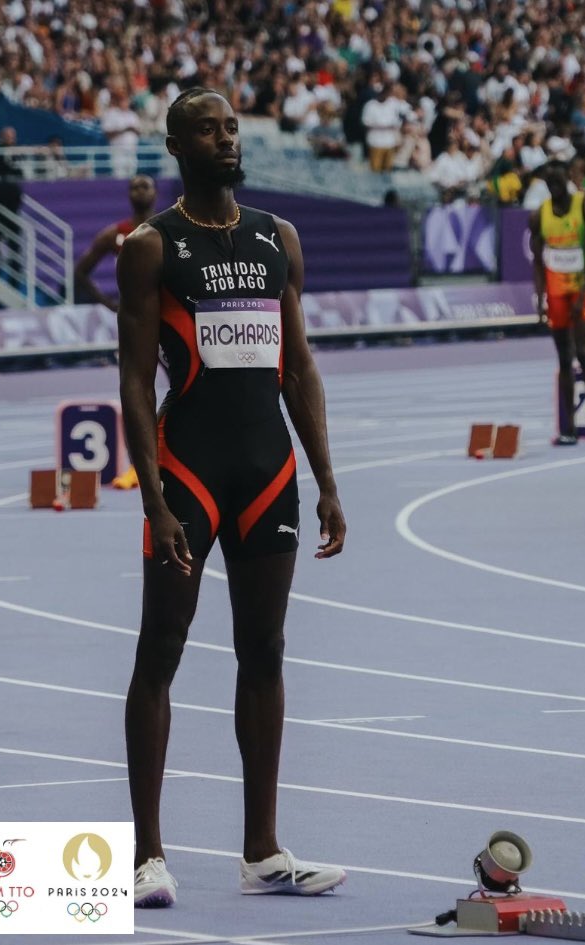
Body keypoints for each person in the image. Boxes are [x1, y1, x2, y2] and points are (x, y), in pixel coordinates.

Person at [116, 87, 347, 907]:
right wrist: (152, 496)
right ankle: (147, 855)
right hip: (189, 472)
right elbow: (135, 383)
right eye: (207, 130)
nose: (225, 139)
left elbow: (299, 365)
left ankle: (261, 849)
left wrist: (325, 479)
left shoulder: (274, 238)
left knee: (267, 650)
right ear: (177, 145)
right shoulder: (152, 247)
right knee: (161, 650)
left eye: (231, 128)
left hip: (268, 469)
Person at [75, 175, 158, 489]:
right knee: (136, 392)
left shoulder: (172, 226)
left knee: (186, 389)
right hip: (135, 325)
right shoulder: (116, 233)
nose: (140, 190)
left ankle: (183, 458)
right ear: (128, 194)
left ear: (155, 192)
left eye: (145, 186)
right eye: (135, 186)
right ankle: (140, 467)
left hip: (171, 321)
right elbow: (81, 272)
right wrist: (110, 305)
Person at [529, 160, 585, 446]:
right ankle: (570, 430)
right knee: (564, 358)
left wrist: (583, 291)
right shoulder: (539, 216)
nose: (554, 188)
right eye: (548, 184)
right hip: (555, 291)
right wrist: (540, 298)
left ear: (568, 180)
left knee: (583, 352)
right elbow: (538, 264)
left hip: (582, 288)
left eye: (558, 182)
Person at [0, 126, 23, 287]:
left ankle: (14, 279)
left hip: (13, 207)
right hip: (0, 206)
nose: (10, 138)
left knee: (14, 244)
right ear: (2, 137)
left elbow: (20, 174)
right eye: (8, 136)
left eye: (12, 136)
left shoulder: (17, 155)